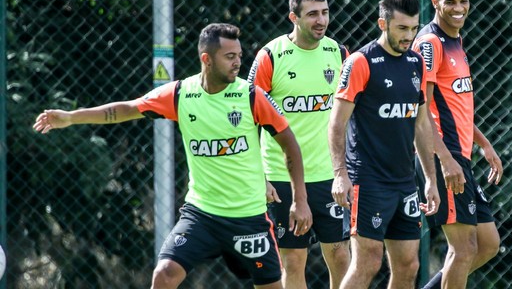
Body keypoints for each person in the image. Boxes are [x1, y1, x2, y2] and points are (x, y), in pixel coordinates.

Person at [33, 23, 313, 289]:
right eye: (229, 56)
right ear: (207, 59)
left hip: (248, 217)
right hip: (201, 215)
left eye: (239, 55)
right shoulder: (181, 94)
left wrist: (300, 200)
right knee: (165, 274)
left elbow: (290, 144)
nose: (238, 62)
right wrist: (71, 117)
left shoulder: (251, 96)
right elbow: (127, 109)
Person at [328, 0, 440, 289]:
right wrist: (340, 175)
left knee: (408, 264)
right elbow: (336, 124)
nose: (409, 35)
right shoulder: (360, 62)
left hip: (404, 181)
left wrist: (429, 178)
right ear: (383, 24)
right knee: (368, 261)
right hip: (368, 179)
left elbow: (420, 123)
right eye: (402, 28)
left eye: (414, 28)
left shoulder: (416, 62)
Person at [247, 0, 350, 289]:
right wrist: (259, 177)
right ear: (293, 17)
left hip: (327, 174)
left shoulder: (339, 52)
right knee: (294, 260)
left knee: (341, 255)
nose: (321, 20)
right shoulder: (271, 56)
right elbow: (246, 121)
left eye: (325, 12)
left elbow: (352, 111)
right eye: (312, 14)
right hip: (281, 176)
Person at [411, 0, 504, 289]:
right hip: (445, 157)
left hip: (460, 156)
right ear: (435, 2)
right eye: (450, 2)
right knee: (463, 249)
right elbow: (419, 112)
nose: (459, 8)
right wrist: (445, 160)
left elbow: (455, 104)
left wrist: (484, 144)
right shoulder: (430, 43)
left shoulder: (456, 40)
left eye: (464, 1)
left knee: (488, 243)